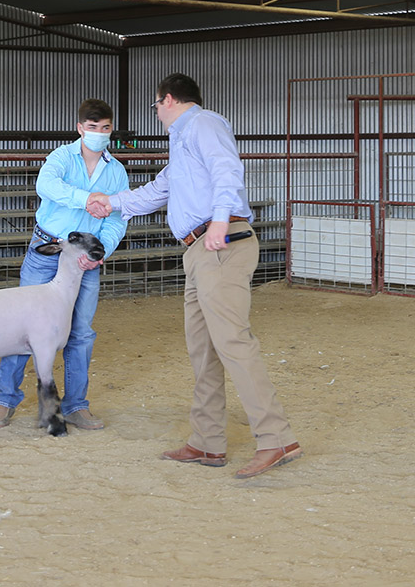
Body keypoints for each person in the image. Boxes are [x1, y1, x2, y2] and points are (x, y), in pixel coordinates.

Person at [86, 73, 301, 478]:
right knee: (203, 348)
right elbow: (158, 189)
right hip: (200, 249)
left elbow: (226, 170)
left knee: (233, 342)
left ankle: (277, 439)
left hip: (221, 242)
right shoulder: (182, 141)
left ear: (167, 100)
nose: (156, 114)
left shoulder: (204, 124)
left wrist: (220, 221)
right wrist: (111, 204)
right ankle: (207, 443)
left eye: (155, 106)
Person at [0, 99, 129, 431]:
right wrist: (87, 199)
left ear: (111, 130)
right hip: (47, 249)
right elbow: (46, 186)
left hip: (84, 260)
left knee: (80, 331)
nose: (98, 133)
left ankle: (75, 405)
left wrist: (100, 250)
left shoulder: (116, 171)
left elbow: (118, 219)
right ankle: (5, 399)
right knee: (20, 327)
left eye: (105, 128)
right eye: (92, 127)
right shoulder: (60, 158)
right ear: (80, 128)